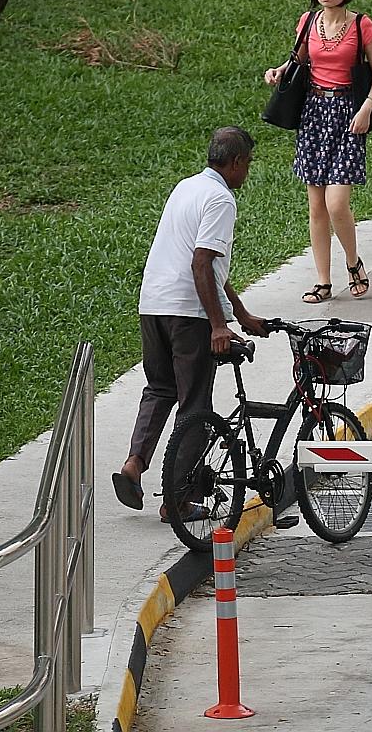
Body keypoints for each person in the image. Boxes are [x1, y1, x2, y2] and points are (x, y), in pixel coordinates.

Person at [114, 126, 269, 520]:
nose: (246, 173)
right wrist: (218, 326)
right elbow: (201, 262)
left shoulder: (186, 187)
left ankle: (134, 464)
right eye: (247, 165)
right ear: (235, 162)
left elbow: (210, 266)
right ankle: (177, 501)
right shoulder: (221, 199)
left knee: (160, 388)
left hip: (153, 304)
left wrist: (241, 313)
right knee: (195, 404)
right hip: (188, 312)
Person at [263, 0, 372, 304]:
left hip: (349, 114)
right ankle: (322, 281)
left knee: (336, 203)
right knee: (316, 205)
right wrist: (279, 69)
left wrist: (367, 108)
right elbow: (301, 61)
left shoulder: (362, 25)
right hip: (313, 115)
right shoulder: (308, 21)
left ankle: (353, 262)